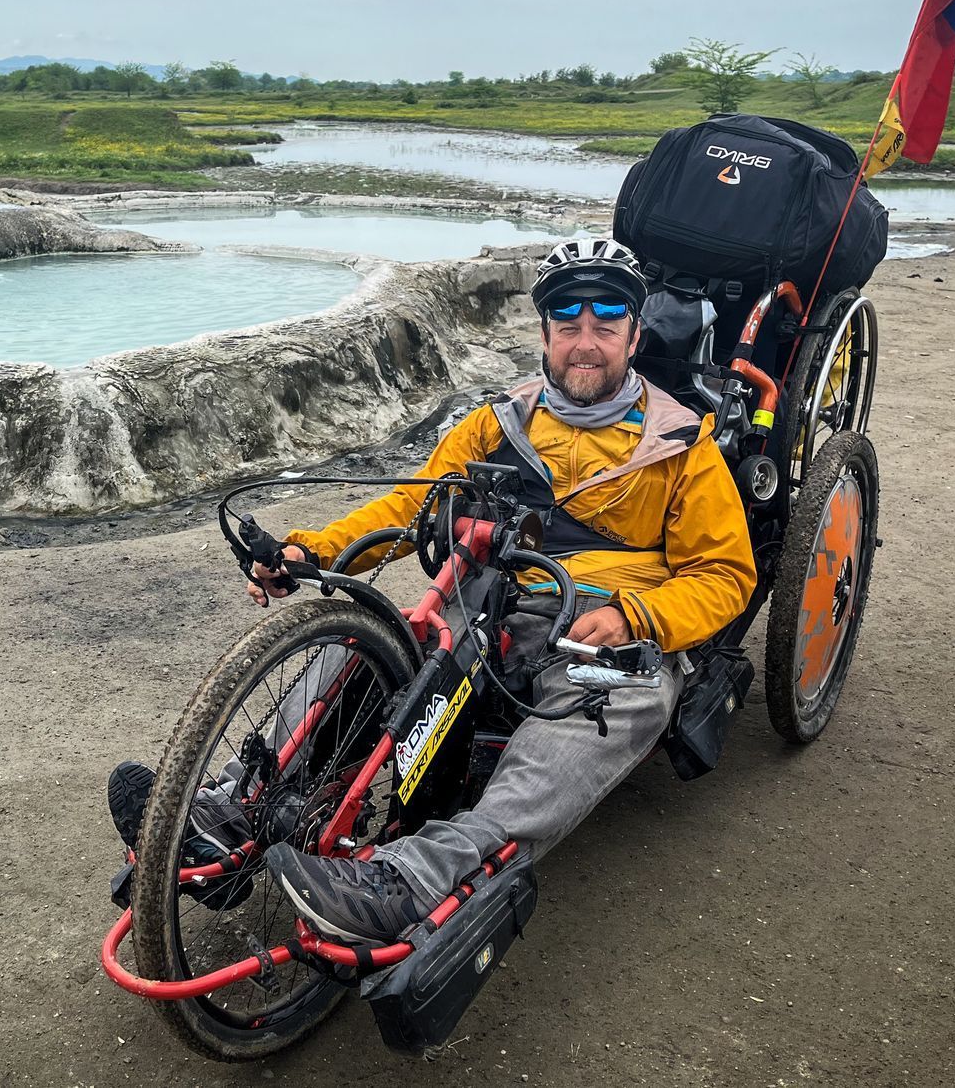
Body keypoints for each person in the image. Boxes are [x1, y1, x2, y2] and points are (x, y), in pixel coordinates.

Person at [111, 237, 757, 943]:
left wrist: (638, 615)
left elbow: (725, 576)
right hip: (478, 607)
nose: (585, 344)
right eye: (568, 326)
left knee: (615, 699)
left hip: (599, 627)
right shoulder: (494, 426)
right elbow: (405, 510)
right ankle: (231, 807)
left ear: (635, 335)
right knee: (373, 642)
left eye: (606, 326)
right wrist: (314, 549)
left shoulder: (679, 446)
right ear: (545, 333)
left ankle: (413, 877)